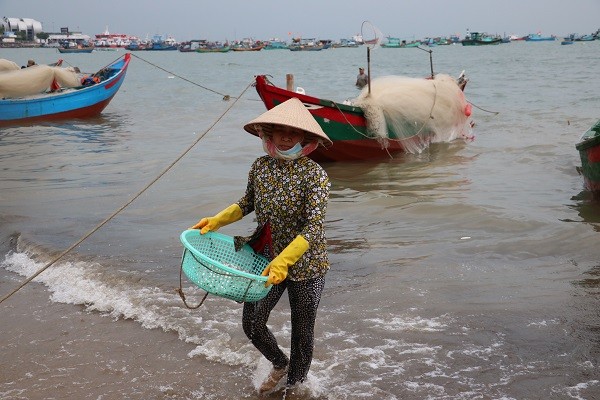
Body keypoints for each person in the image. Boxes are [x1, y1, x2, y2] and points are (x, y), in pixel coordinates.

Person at [190, 97, 332, 395]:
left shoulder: (315, 175)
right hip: (265, 260)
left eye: (293, 132)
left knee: (302, 332)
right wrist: (215, 221)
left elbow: (314, 226)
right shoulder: (260, 167)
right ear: (269, 133)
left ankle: (294, 387)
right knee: (252, 322)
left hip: (307, 264)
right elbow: (247, 203)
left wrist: (285, 261)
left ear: (305, 138)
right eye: (280, 130)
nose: (286, 137)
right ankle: (279, 363)